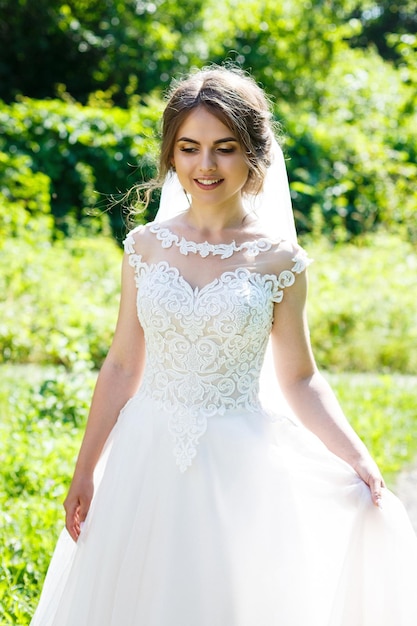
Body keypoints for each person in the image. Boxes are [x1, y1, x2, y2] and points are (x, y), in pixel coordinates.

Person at [30, 65, 417, 626]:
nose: (205, 166)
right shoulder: (145, 246)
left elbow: (300, 378)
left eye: (224, 148)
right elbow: (120, 364)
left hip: (238, 456)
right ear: (171, 154)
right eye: (189, 148)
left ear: (253, 154)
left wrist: (355, 454)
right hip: (146, 453)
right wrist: (85, 469)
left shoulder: (279, 258)